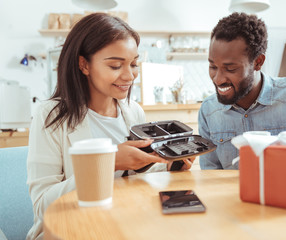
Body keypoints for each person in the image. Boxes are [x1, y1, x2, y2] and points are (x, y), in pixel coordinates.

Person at [26, 13, 194, 240]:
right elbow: (43, 205)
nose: (129, 75)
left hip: (122, 225)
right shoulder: (51, 116)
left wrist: (168, 166)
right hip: (70, 231)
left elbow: (133, 179)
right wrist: (108, 162)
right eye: (116, 65)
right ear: (84, 64)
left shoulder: (133, 111)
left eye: (134, 64)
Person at [198, 12, 286, 179]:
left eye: (230, 69)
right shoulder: (209, 111)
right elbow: (210, 177)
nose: (218, 79)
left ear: (258, 62)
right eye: (213, 67)